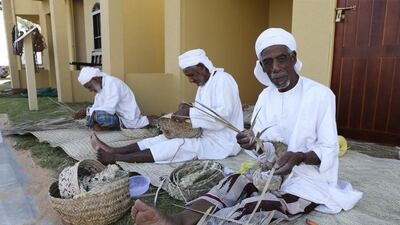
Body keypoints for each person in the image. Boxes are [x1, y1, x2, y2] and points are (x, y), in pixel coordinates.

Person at [130, 28, 363, 224]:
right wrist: (253, 143)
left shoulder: (320, 95)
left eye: (281, 59)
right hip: (270, 172)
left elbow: (329, 149)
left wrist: (299, 157)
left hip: (308, 179)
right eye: (267, 63)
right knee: (231, 183)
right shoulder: (265, 97)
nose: (275, 69)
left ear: (293, 58)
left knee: (259, 205)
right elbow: (264, 150)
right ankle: (178, 220)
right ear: (261, 66)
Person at [91, 49, 244, 164]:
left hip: (223, 142)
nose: (190, 80)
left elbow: (223, 116)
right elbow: (204, 110)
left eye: (191, 75)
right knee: (162, 138)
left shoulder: (223, 79)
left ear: (202, 67)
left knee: (179, 145)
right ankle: (114, 150)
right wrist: (189, 107)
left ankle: (116, 158)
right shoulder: (204, 85)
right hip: (206, 135)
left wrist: (189, 112)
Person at [74, 67, 149, 131]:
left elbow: (109, 108)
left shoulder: (112, 83)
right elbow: (96, 106)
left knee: (99, 116)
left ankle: (109, 126)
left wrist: (86, 112)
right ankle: (102, 125)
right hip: (116, 114)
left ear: (95, 79)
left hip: (126, 118)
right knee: (91, 110)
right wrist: (87, 111)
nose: (90, 90)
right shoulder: (100, 88)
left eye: (89, 87)